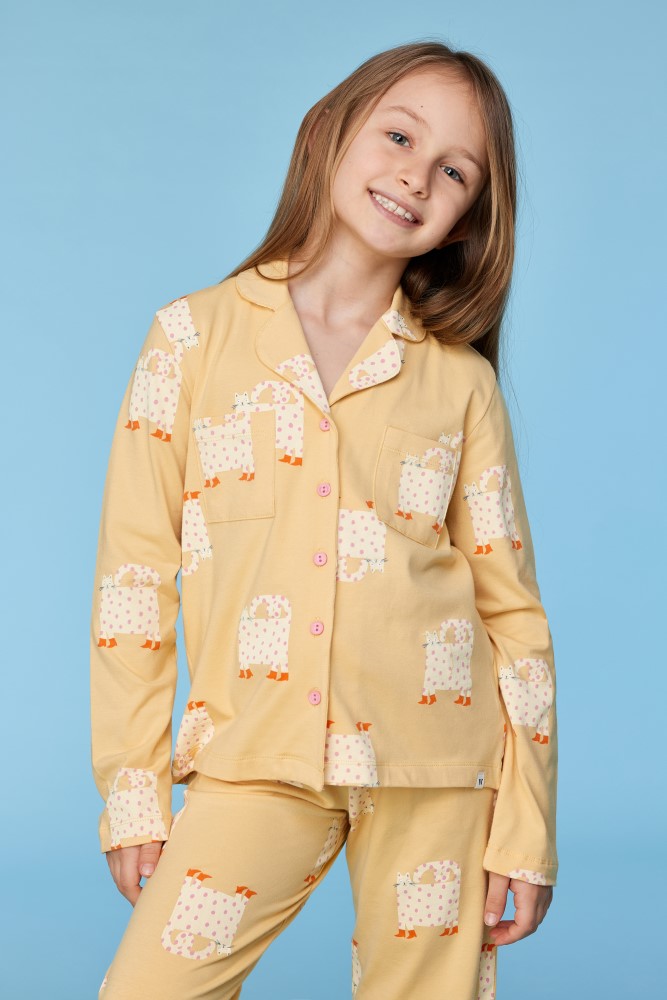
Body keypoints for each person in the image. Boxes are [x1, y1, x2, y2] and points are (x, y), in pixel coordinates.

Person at [90, 39, 558, 1000]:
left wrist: (526, 828)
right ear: (329, 131)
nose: (415, 177)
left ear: (468, 217)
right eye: (399, 136)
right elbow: (133, 579)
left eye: (454, 172)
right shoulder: (190, 338)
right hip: (255, 751)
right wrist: (134, 794)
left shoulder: (460, 383)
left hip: (439, 770)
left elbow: (512, 616)